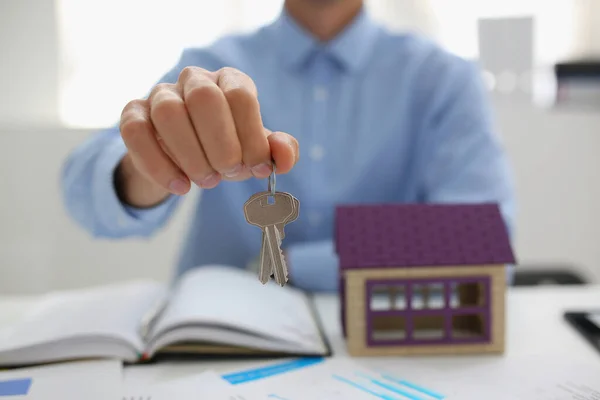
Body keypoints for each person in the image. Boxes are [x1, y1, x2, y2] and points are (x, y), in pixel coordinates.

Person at [61, 0, 516, 292]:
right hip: (215, 352)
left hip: (382, 351)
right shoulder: (208, 67)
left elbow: (483, 236)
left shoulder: (443, 79)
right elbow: (84, 197)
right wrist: (148, 167)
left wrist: (296, 265)